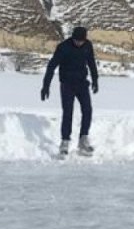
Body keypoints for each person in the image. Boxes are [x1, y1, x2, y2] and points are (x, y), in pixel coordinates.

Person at [41, 25, 99, 157]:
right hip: (67, 84)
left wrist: (95, 80)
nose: (79, 43)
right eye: (76, 40)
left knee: (87, 109)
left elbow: (91, 63)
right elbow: (51, 66)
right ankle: (65, 141)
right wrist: (46, 86)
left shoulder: (87, 46)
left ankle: (83, 139)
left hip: (82, 83)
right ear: (72, 38)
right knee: (68, 112)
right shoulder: (63, 47)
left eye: (81, 41)